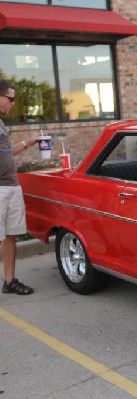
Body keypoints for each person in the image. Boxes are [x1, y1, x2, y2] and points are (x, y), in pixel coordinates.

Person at [0, 79, 40, 295]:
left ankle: (9, 281)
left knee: (10, 235)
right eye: (10, 99)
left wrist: (29, 143)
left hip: (11, 186)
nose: (13, 104)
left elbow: (7, 152)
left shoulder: (1, 125)